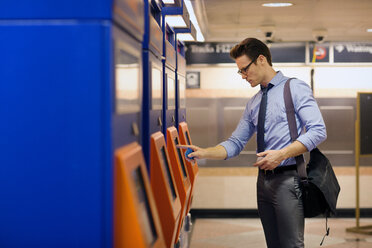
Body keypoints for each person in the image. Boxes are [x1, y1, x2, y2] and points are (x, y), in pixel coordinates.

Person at [179, 38, 327, 248]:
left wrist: (281, 154)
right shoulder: (254, 103)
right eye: (240, 72)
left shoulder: (294, 88)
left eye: (245, 69)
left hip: (288, 180)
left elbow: (318, 130)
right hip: (263, 183)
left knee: (291, 245)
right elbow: (235, 142)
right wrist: (204, 153)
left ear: (261, 60)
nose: (243, 76)